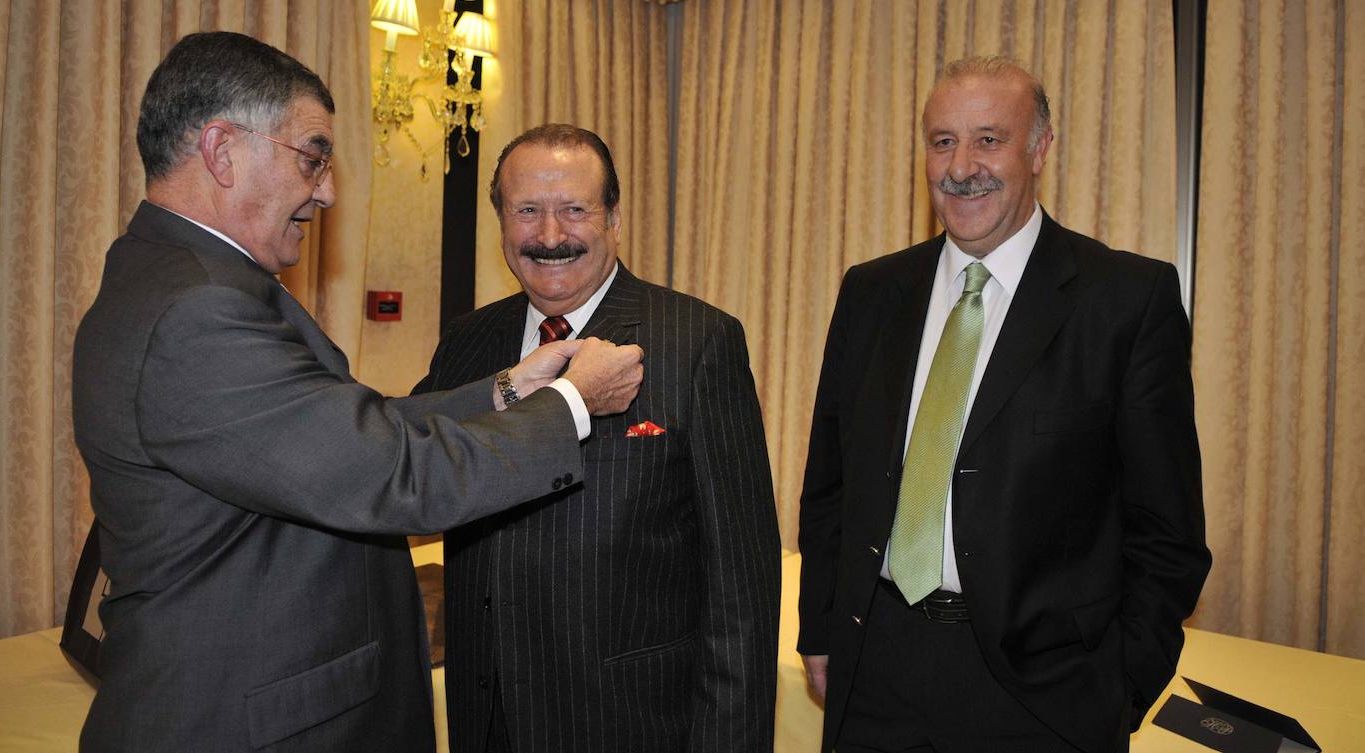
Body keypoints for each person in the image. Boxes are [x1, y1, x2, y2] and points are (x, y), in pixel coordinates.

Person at [71, 32, 644, 753]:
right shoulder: (198, 310)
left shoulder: (179, 279)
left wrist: (505, 389)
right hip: (248, 721)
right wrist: (572, 403)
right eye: (312, 156)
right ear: (221, 151)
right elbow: (388, 472)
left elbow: (346, 431)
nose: (328, 189)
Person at [797, 57, 1211, 753]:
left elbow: (1167, 533)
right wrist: (822, 625)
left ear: (1041, 147)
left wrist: (1118, 689)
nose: (962, 166)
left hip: (1046, 694)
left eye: (989, 139)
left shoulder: (1125, 302)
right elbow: (831, 484)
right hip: (877, 672)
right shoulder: (872, 291)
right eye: (942, 141)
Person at [414, 123, 782, 753]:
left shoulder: (696, 342)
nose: (550, 236)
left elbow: (742, 584)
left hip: (631, 725)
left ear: (614, 217)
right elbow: (412, 471)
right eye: (527, 210)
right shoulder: (467, 344)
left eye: (574, 210)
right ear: (500, 221)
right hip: (488, 720)